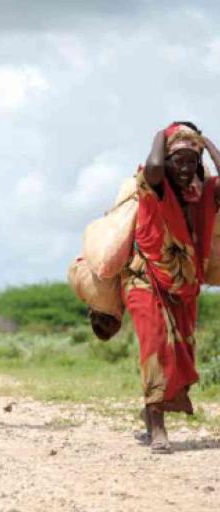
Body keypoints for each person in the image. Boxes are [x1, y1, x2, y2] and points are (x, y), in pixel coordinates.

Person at [122, 122, 220, 454]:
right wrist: (162, 139)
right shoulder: (155, 184)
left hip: (184, 287)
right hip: (145, 277)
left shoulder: (203, 192)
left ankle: (151, 414)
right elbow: (152, 166)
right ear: (166, 159)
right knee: (156, 346)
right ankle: (159, 427)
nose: (184, 168)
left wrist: (207, 145)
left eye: (191, 161)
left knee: (179, 355)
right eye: (177, 160)